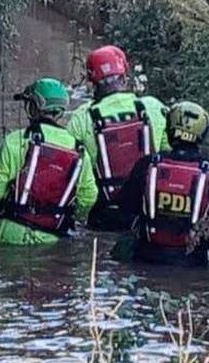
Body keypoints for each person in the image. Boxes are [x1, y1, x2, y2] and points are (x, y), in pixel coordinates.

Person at [0, 77, 98, 245]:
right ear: (60, 111)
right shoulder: (79, 151)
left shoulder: (15, 141)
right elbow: (89, 198)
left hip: (8, 236)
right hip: (52, 239)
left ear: (33, 108)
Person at [113, 101, 209, 266]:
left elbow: (125, 207)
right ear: (202, 135)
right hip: (193, 263)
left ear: (169, 129)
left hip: (146, 257)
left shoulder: (147, 164)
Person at [67, 45, 169, 232]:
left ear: (92, 82)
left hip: (104, 217)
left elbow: (74, 176)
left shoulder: (81, 118)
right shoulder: (153, 107)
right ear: (124, 77)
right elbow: (170, 157)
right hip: (150, 212)